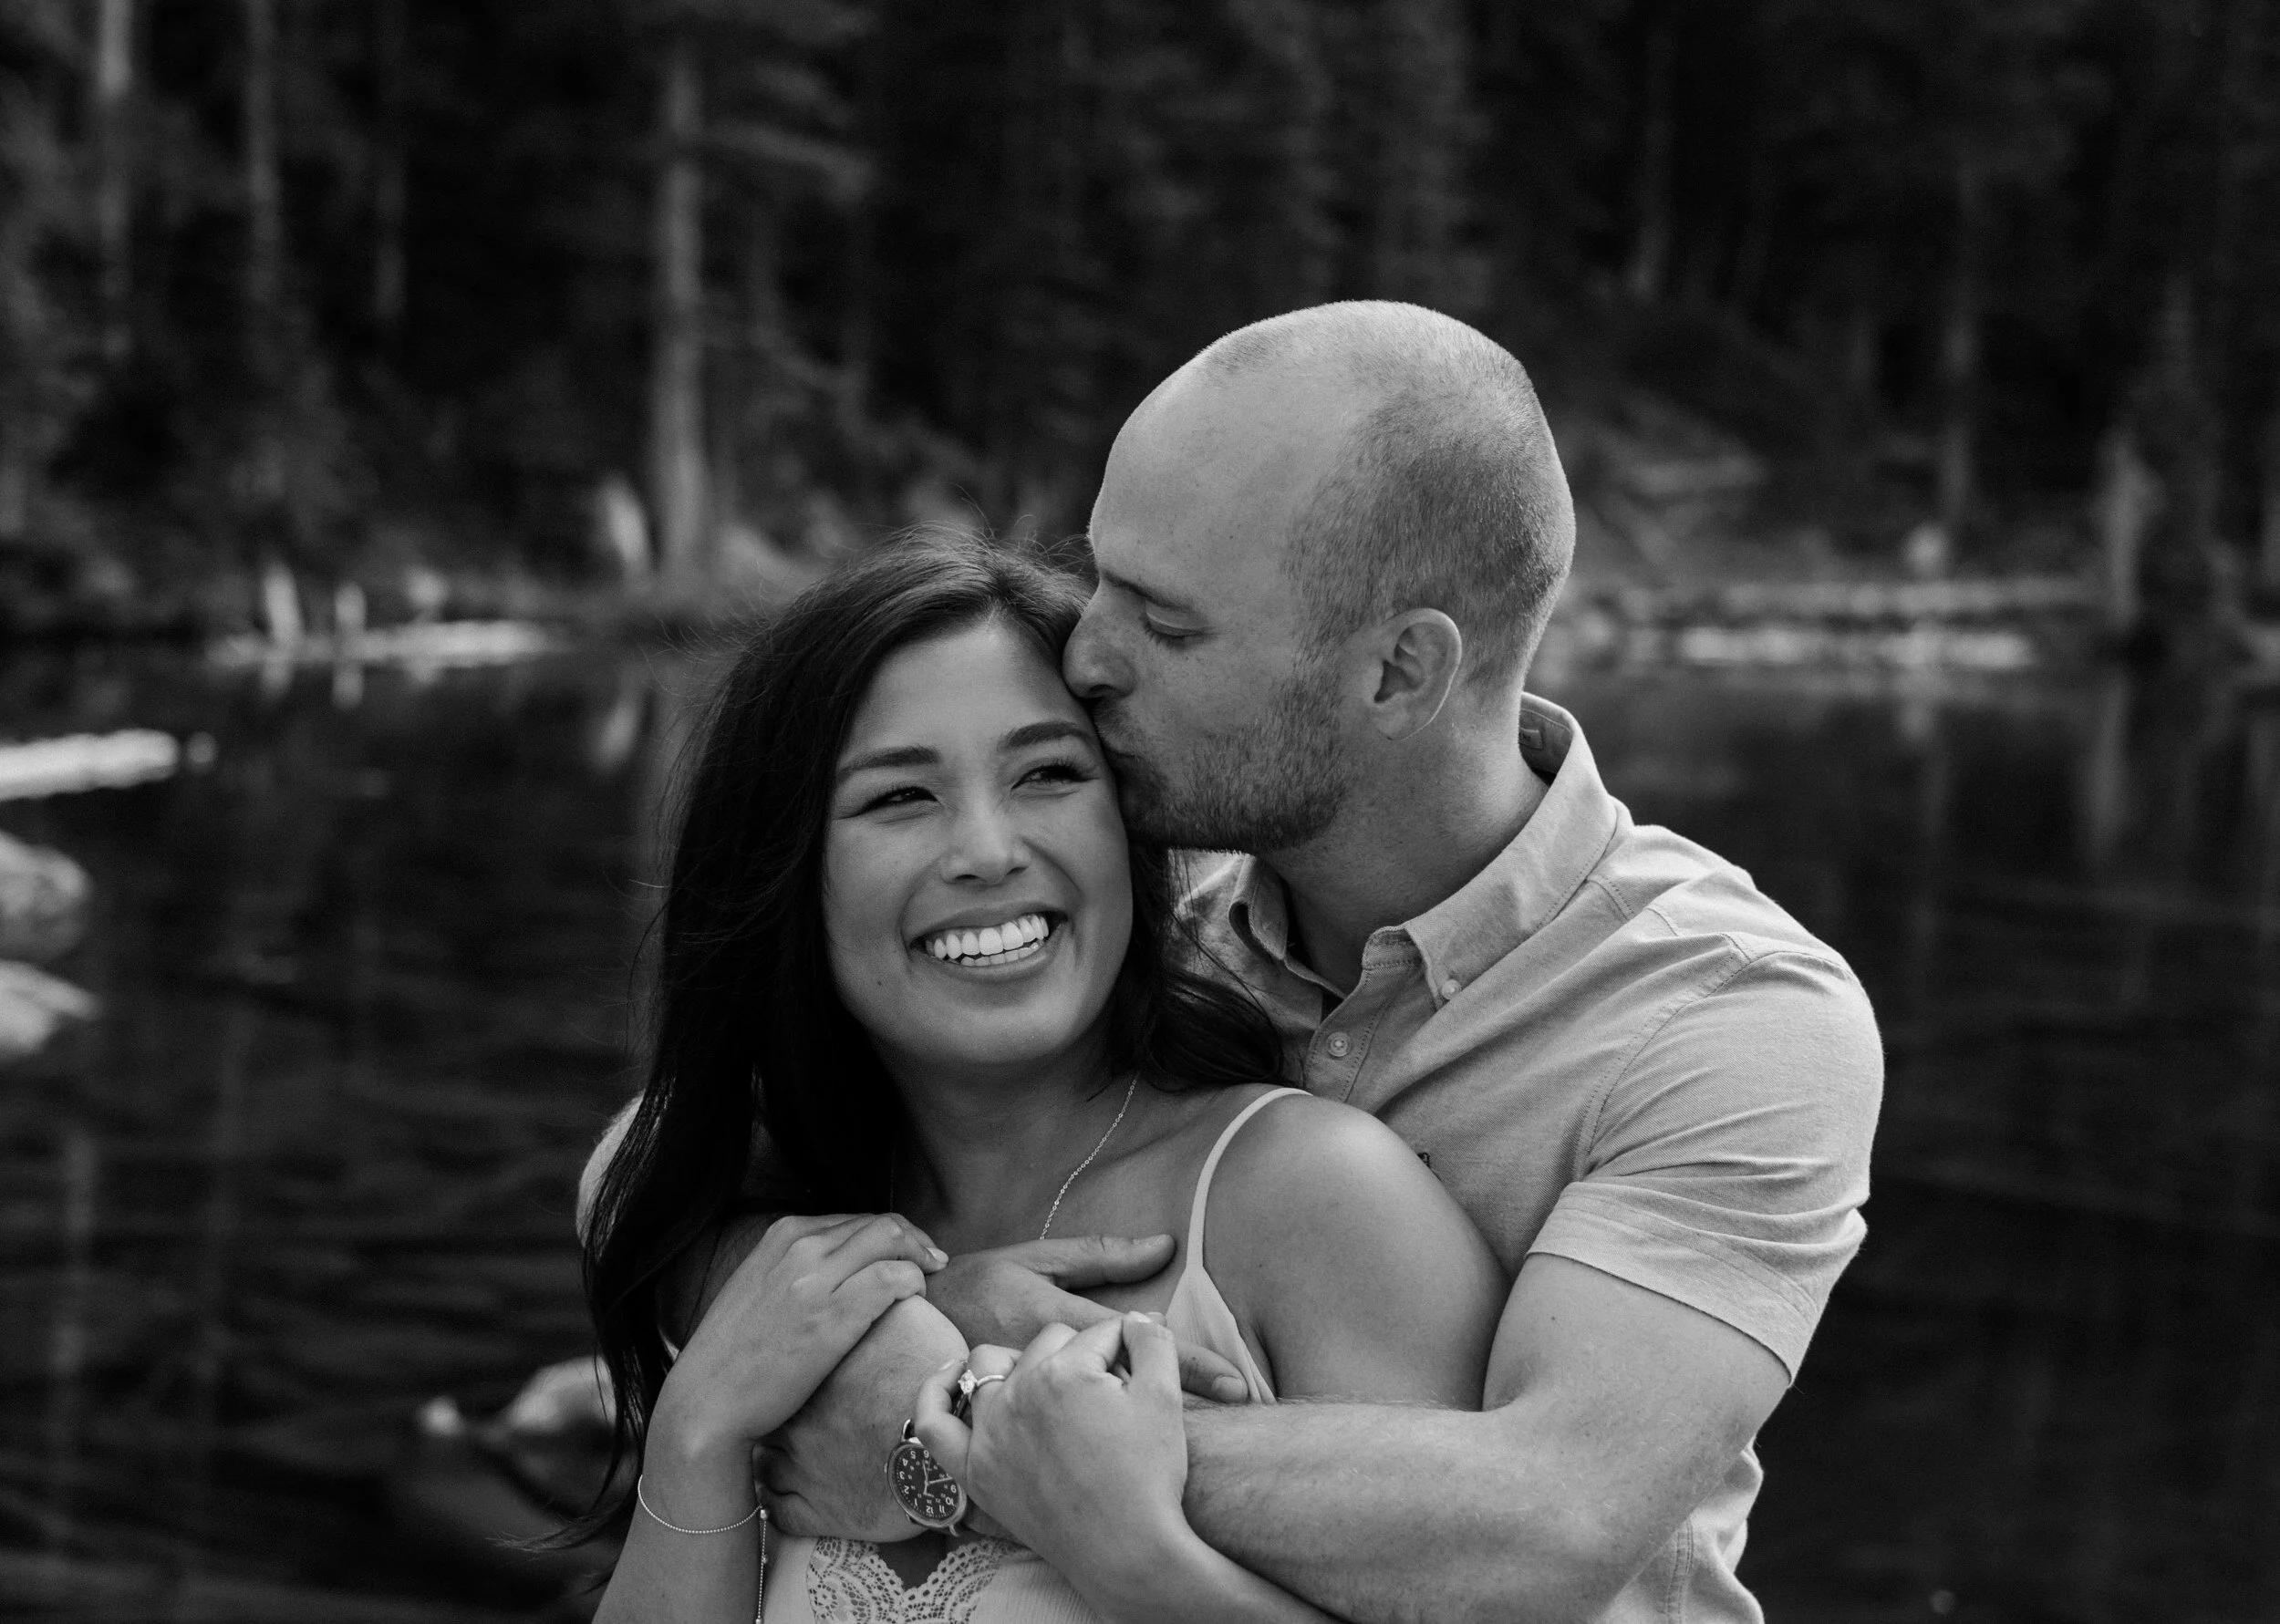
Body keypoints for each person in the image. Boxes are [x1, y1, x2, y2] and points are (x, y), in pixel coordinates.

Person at [638, 300, 1884, 1624]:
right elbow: (663, 1154)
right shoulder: (1125, 925)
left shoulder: (1724, 1015)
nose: (1084, 654)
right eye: (1101, 578)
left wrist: (950, 1418)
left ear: (1398, 673)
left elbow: (1547, 1519)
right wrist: (900, 1302)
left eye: (1167, 625)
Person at [580, 534, 1508, 1621]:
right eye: (899, 796)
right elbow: (629, 1169)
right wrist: (702, 1429)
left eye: (1049, 773)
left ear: (1129, 823)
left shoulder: (1315, 1200)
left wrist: (1097, 1532)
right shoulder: (787, 1231)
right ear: (783, 867)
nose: (987, 848)